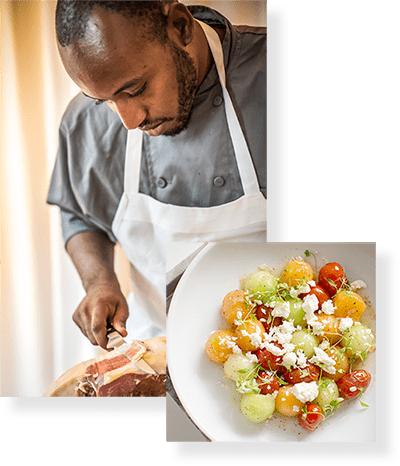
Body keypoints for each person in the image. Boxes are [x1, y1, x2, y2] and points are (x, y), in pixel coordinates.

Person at [47, 0, 267, 349]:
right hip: (159, 350)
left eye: (134, 90)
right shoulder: (85, 122)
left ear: (180, 26)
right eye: (104, 101)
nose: (129, 120)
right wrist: (99, 281)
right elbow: (79, 213)